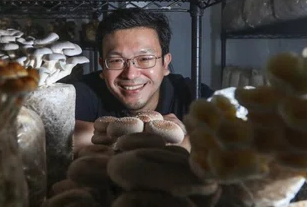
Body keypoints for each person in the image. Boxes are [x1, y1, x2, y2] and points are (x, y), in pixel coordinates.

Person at [61, 8, 213, 154]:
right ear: (103, 67)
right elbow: (52, 137)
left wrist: (105, 134)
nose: (131, 74)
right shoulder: (82, 91)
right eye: (116, 61)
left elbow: (228, 141)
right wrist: (151, 132)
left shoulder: (194, 95)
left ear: (165, 64)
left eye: (145, 59)